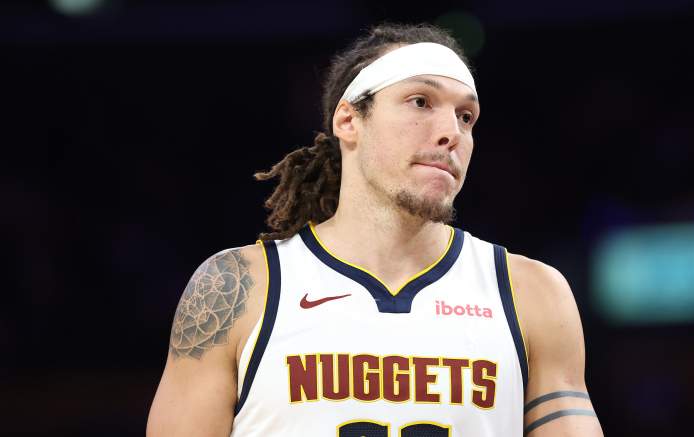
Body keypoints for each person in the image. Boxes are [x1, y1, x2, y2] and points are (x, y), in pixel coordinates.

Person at [147, 23, 604, 436]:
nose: (451, 132)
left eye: (466, 116)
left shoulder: (531, 294)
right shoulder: (241, 287)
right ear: (349, 120)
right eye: (421, 102)